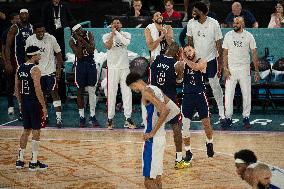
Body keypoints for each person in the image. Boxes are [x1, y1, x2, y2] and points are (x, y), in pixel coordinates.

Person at [126, 72, 180, 189]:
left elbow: (164, 110)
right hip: (161, 138)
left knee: (148, 181)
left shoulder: (146, 92)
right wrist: (159, 125)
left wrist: (153, 132)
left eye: (132, 88)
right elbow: (175, 110)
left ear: (134, 84)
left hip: (152, 140)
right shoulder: (156, 89)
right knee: (157, 178)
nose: (134, 91)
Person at [150, 42, 188, 169]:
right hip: (169, 99)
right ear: (178, 53)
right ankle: (178, 160)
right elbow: (179, 81)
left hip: (154, 97)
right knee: (176, 127)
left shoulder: (155, 58)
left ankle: (152, 159)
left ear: (166, 49)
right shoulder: (177, 64)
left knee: (154, 129)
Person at [186, 2, 225, 124]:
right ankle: (200, 111)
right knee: (198, 87)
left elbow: (219, 42)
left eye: (195, 11)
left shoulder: (213, 23)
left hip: (211, 60)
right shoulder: (191, 23)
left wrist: (221, 61)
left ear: (202, 12)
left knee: (215, 86)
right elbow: (190, 41)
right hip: (197, 61)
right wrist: (190, 58)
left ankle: (222, 113)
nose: (193, 13)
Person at [175, 45, 214, 164]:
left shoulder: (202, 60)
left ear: (194, 50)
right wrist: (179, 70)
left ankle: (209, 141)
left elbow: (197, 68)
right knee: (185, 126)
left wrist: (184, 59)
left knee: (206, 125)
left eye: (189, 50)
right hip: (187, 96)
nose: (187, 53)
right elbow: (178, 80)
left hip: (200, 95)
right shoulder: (182, 64)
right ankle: (188, 152)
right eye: (185, 52)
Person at [222, 16, 260, 129]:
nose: (235, 24)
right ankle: (228, 118)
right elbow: (224, 53)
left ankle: (246, 118)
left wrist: (257, 71)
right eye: (234, 22)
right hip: (231, 70)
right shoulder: (228, 35)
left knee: (246, 94)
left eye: (237, 23)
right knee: (228, 94)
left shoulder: (249, 36)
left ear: (242, 24)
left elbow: (254, 54)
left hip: (244, 69)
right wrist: (225, 68)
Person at [14, 45, 48, 171]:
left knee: (26, 130)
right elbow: (37, 88)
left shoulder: (19, 68)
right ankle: (34, 162)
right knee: (36, 130)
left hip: (24, 102)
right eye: (38, 55)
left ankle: (20, 160)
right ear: (33, 56)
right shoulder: (35, 69)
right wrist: (44, 106)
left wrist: (19, 102)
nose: (39, 56)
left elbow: (16, 87)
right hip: (34, 102)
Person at [26, 23, 64, 128]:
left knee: (54, 93)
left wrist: (59, 69)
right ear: (34, 31)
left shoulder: (51, 38)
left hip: (50, 70)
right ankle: (45, 116)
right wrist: (29, 69)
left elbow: (59, 53)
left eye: (43, 31)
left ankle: (59, 119)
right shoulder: (30, 40)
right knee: (41, 95)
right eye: (39, 32)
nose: (41, 33)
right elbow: (28, 56)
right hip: (37, 72)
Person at [102, 18, 136, 130]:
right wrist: (112, 34)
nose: (116, 24)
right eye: (114, 23)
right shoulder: (106, 36)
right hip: (112, 68)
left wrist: (116, 32)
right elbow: (108, 46)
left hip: (125, 68)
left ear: (121, 25)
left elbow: (126, 43)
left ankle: (128, 118)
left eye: (118, 23)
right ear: (111, 25)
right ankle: (110, 119)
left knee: (127, 93)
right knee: (112, 93)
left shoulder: (126, 34)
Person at [69, 23, 99, 128]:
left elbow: (91, 50)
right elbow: (80, 55)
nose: (81, 31)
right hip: (80, 65)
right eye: (78, 31)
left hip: (90, 63)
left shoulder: (89, 34)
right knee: (79, 91)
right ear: (74, 33)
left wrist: (82, 40)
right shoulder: (71, 40)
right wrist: (80, 43)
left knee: (92, 90)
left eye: (81, 29)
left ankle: (92, 115)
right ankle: (81, 116)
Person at [5, 9, 33, 118]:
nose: (24, 15)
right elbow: (7, 47)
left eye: (26, 13)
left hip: (30, 61)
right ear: (20, 15)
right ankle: (22, 109)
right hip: (18, 60)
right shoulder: (14, 28)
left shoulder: (31, 27)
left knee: (30, 85)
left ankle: (29, 108)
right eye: (22, 14)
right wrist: (8, 62)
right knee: (20, 85)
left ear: (28, 15)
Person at [1, 13, 20, 115]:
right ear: (11, 21)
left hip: (19, 61)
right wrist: (6, 63)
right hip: (10, 61)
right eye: (16, 19)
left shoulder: (22, 31)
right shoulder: (6, 32)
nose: (18, 20)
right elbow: (3, 49)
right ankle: (10, 106)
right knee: (10, 83)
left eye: (19, 19)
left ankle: (22, 106)